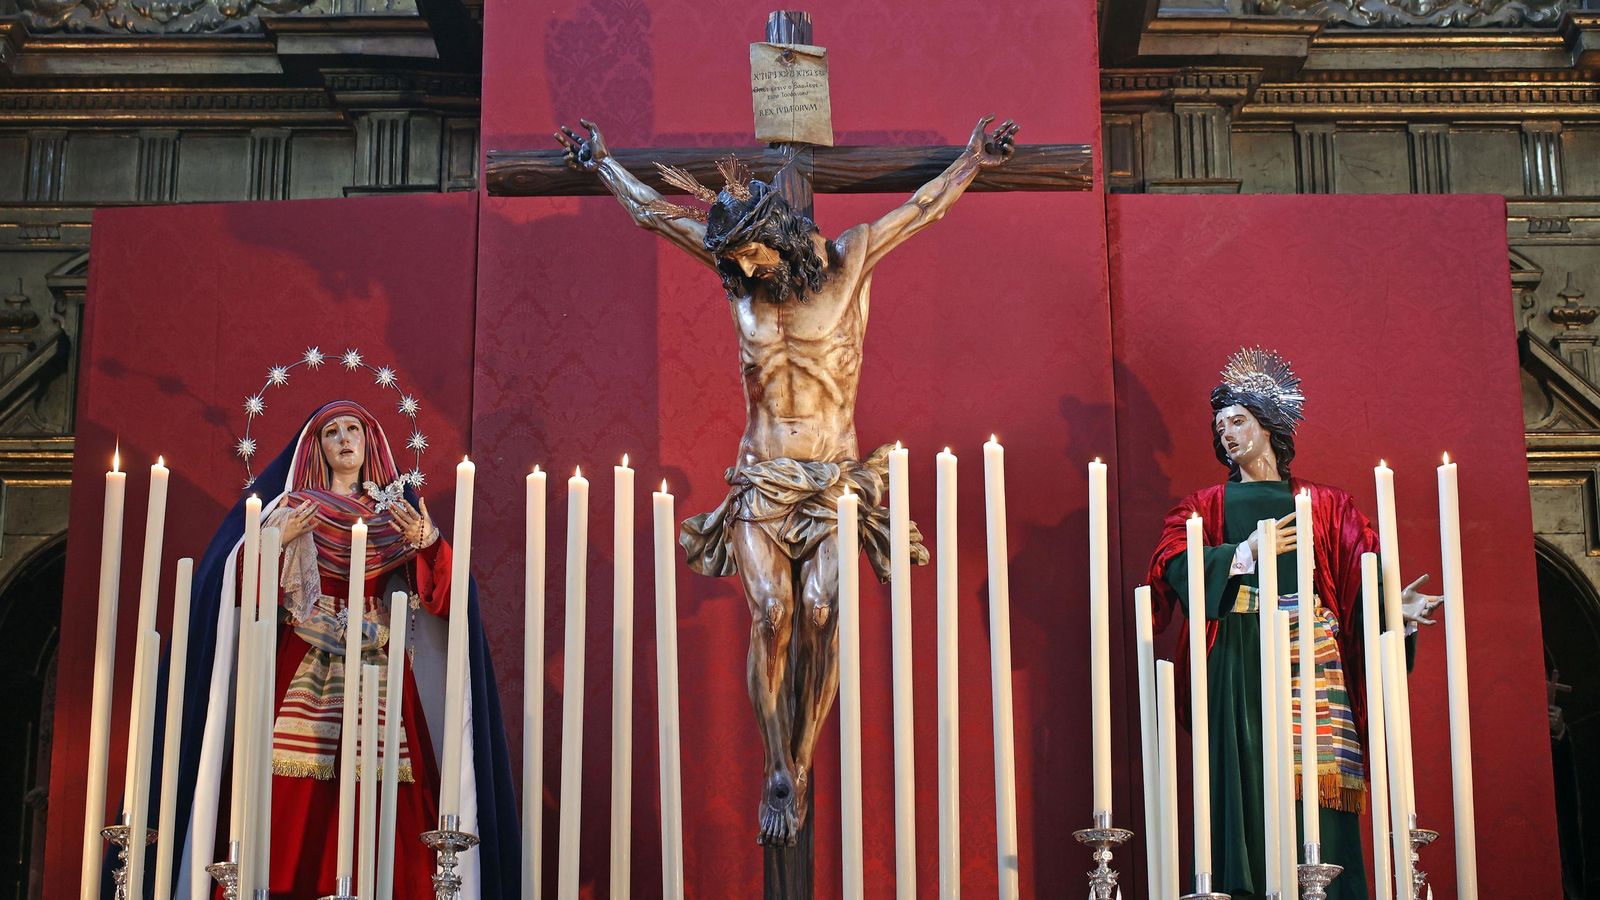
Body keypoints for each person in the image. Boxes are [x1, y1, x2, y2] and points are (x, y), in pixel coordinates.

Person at [554, 116, 1015, 845]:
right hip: (761, 478)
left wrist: (972, 163)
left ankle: (799, 756)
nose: (743, 269)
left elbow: (920, 210)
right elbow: (652, 215)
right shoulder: (737, 280)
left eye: (753, 255)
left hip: (833, 479)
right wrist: (603, 163)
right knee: (772, 615)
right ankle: (779, 764)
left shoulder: (849, 260)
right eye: (734, 260)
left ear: (783, 236)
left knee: (823, 612)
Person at [159, 399, 518, 899]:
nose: (345, 440)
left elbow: (447, 597)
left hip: (377, 659)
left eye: (354, 429)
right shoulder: (294, 509)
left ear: (371, 442)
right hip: (302, 654)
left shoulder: (395, 516)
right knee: (285, 792)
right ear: (317, 447)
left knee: (383, 785)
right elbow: (238, 587)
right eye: (332, 432)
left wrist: (429, 541)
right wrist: (272, 541)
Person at [1144, 348, 1440, 899]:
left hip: (1314, 656)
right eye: (1220, 425)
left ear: (1268, 425)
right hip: (1239, 654)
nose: (1228, 433)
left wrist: (1392, 614)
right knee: (1248, 784)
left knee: (1318, 794)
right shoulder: (1203, 506)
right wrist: (1241, 554)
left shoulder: (1327, 504)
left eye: (1238, 421)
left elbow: (1360, 579)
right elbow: (1170, 566)